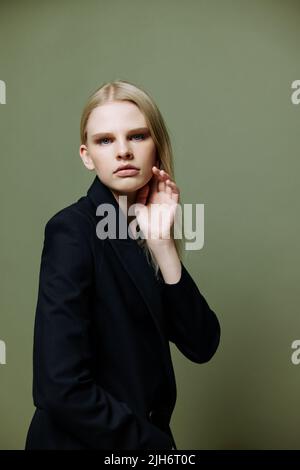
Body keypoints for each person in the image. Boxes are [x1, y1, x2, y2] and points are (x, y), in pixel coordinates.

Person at [25, 79, 221, 450]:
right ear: (86, 155)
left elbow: (202, 343)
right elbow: (59, 387)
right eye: (105, 140)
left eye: (137, 136)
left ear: (156, 146)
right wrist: (154, 448)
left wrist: (162, 246)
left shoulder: (143, 228)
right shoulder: (71, 231)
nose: (123, 152)